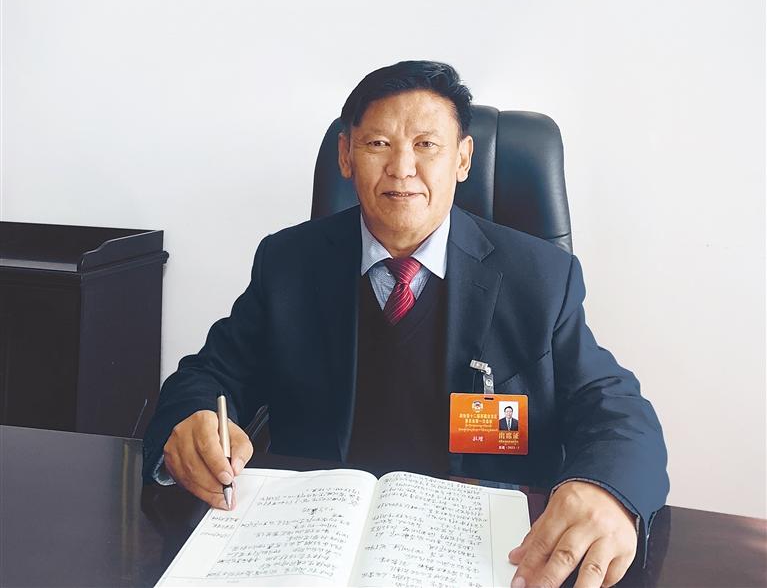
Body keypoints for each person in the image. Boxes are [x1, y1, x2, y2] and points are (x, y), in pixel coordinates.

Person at [143, 60, 669, 588]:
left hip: (481, 552)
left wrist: (608, 489)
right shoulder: (289, 263)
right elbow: (208, 376)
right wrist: (192, 423)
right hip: (315, 547)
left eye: (426, 145)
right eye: (378, 144)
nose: (401, 168)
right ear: (346, 155)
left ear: (463, 158)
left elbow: (615, 405)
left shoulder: (539, 276)